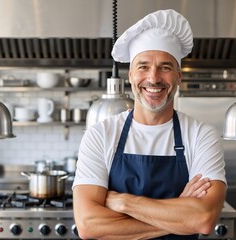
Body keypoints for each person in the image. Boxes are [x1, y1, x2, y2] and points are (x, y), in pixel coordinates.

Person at [72, 9, 226, 240]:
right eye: (143, 66)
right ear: (131, 75)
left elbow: (203, 219)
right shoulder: (101, 134)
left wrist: (124, 202)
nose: (153, 78)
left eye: (165, 67)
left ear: (178, 76)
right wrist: (181, 213)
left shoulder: (201, 135)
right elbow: (88, 225)